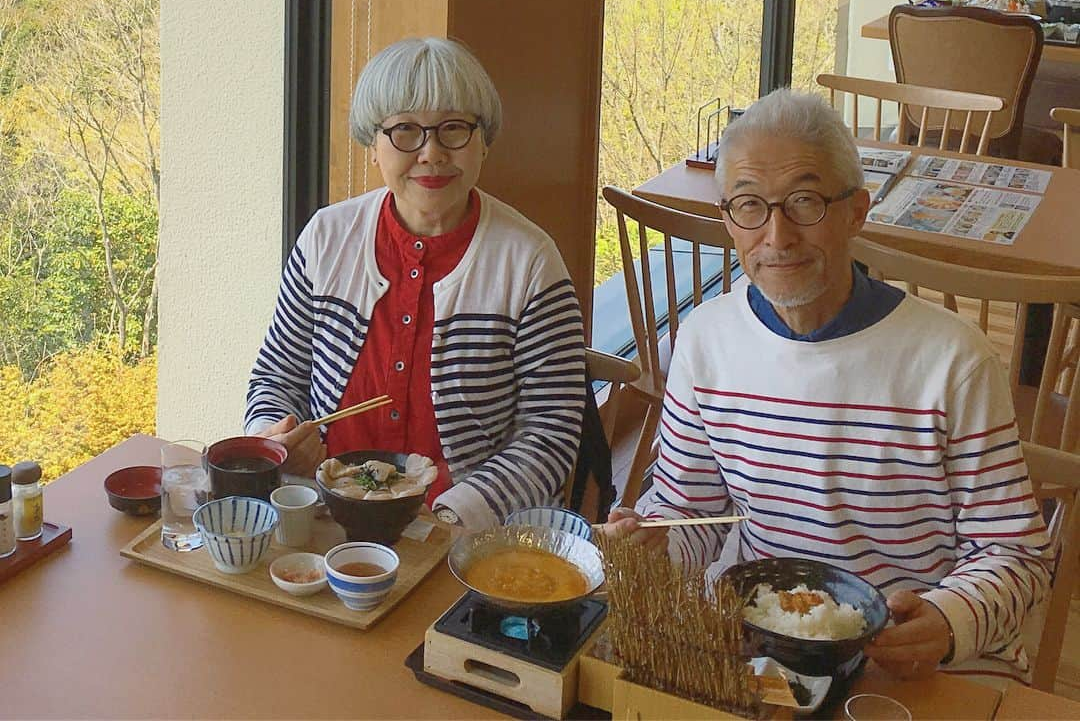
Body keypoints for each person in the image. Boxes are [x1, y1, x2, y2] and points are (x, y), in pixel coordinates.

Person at [607, 88, 1051, 683]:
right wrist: (657, 544)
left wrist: (946, 622)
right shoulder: (706, 340)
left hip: (915, 662)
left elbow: (1017, 555)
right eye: (749, 206)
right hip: (765, 648)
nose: (777, 235)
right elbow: (692, 515)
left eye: (805, 202)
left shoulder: (952, 360)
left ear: (856, 211)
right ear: (727, 219)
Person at [246, 37, 593, 529]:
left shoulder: (530, 262)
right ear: (373, 145)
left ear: (484, 142)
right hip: (324, 520)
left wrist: (455, 517)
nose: (431, 153)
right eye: (405, 130)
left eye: (454, 129)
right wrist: (274, 441)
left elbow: (551, 432)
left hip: (462, 535)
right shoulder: (326, 238)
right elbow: (276, 378)